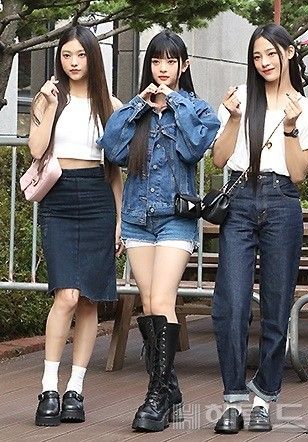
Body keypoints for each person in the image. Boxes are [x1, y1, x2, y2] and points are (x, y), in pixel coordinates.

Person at [98, 30, 220, 432]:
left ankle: (155, 393)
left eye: (170, 62)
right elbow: (112, 150)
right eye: (156, 61)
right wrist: (139, 107)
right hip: (136, 216)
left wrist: (174, 103)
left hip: (175, 217)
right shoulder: (136, 110)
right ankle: (168, 388)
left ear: (184, 66)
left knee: (162, 297)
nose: (162, 69)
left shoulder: (197, 109)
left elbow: (195, 148)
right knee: (149, 301)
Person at [210, 23, 308, 434]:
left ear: (289, 53)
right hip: (240, 199)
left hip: (281, 200)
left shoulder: (306, 107)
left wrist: (292, 128)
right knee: (231, 304)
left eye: (271, 54)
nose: (264, 63)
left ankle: (264, 398)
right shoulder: (239, 97)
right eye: (257, 56)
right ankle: (233, 398)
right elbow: (219, 160)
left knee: (276, 305)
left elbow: (297, 173)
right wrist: (233, 119)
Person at [30, 26, 123, 427]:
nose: (73, 63)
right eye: (67, 55)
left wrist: (120, 220)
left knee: (89, 298)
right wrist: (48, 108)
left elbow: (115, 170)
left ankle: (75, 389)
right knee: (66, 295)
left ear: (92, 58)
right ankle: (49, 386)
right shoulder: (49, 98)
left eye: (80, 55)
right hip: (60, 197)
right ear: (60, 59)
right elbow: (36, 150)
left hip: (99, 197)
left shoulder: (111, 105)